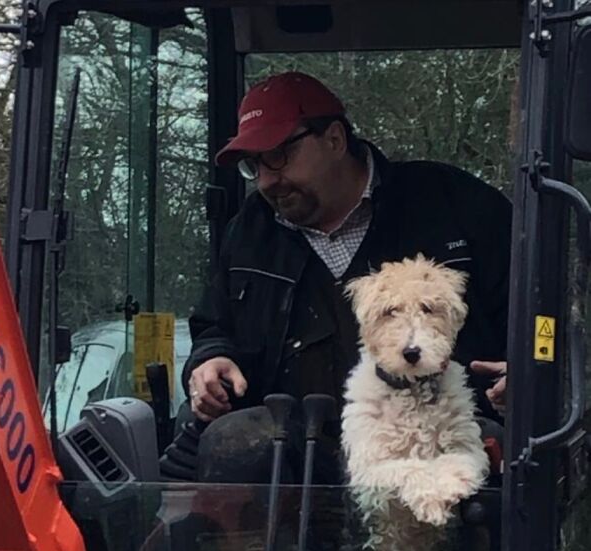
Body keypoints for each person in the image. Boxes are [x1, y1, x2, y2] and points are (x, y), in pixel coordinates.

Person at [178, 71, 510, 484]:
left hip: (430, 436)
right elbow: (214, 325)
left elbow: (537, 316)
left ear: (334, 140)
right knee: (231, 445)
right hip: (295, 462)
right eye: (254, 165)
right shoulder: (250, 231)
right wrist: (211, 359)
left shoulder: (454, 207)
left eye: (278, 155)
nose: (266, 180)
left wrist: (525, 373)